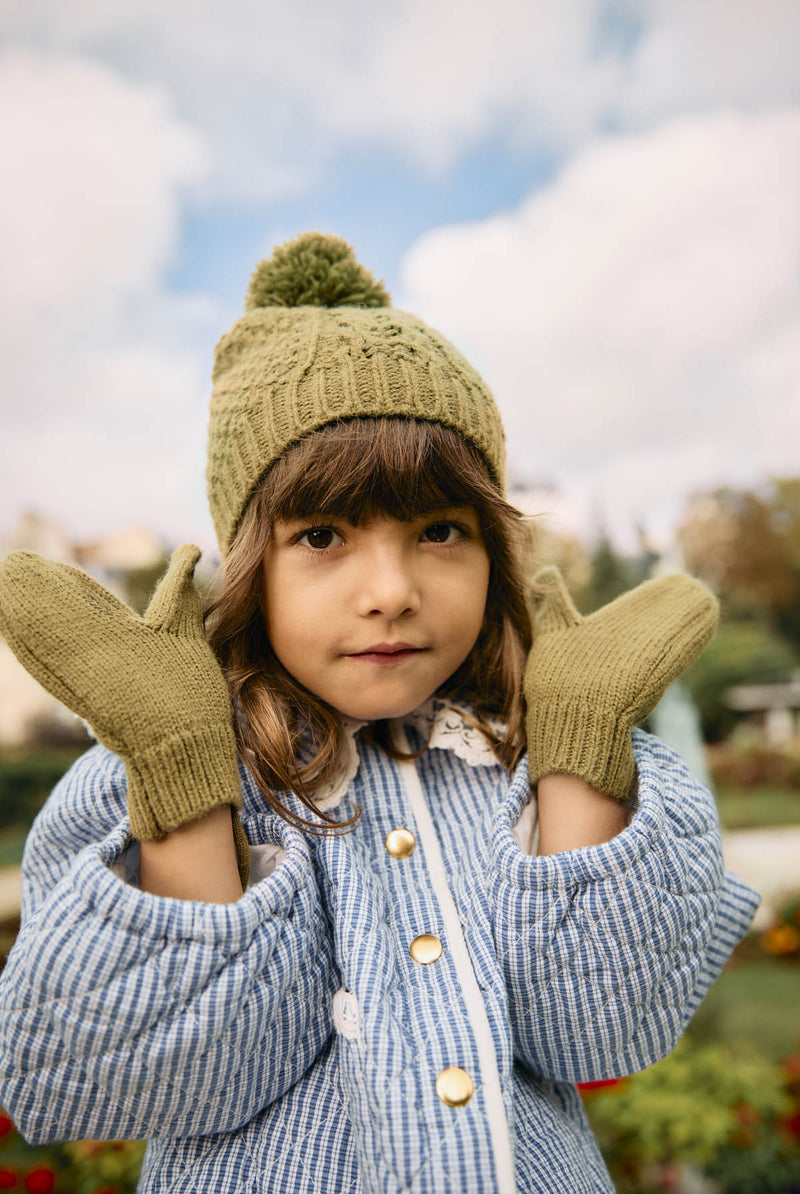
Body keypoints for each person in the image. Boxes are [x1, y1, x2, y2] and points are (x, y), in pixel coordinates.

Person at [0, 233, 759, 1194]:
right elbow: (170, 1077)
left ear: (497, 550)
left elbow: (596, 1028)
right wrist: (183, 780)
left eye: (440, 529)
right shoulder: (144, 768)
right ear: (250, 571)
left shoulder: (525, 755)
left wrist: (578, 755)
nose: (391, 590)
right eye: (323, 535)